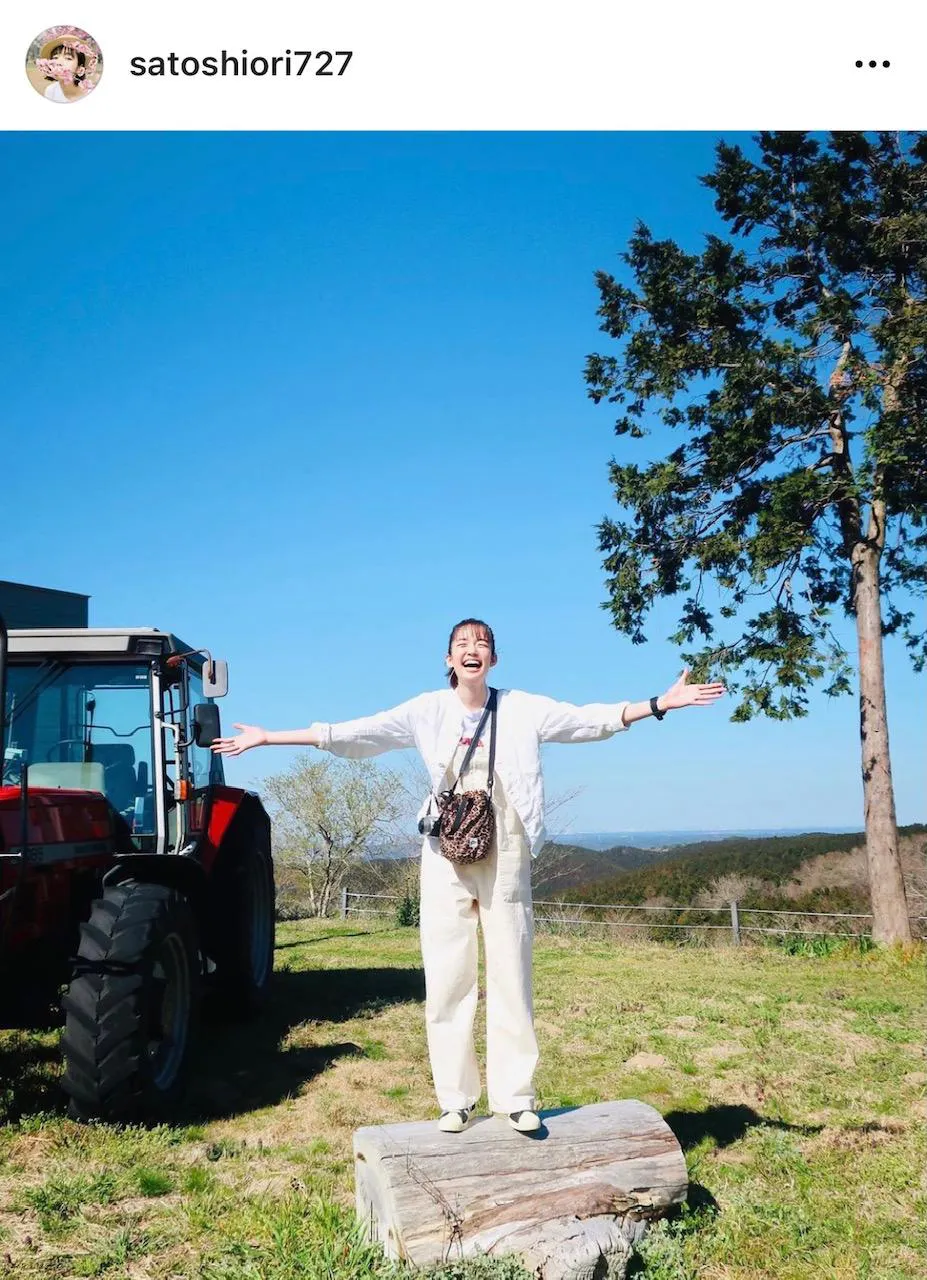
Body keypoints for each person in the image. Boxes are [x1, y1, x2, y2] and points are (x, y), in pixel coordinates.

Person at [211, 618, 725, 1133]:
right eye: (462, 644)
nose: (472, 650)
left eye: (482, 644)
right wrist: (268, 738)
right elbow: (354, 734)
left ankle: (516, 1097)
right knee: (447, 975)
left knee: (511, 972)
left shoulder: (521, 707)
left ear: (494, 660)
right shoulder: (427, 710)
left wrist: (658, 704)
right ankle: (455, 1099)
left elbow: (586, 720)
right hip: (444, 849)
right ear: (448, 659)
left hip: (507, 846)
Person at [35, 33, 98, 103]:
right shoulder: (51, 91)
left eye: (68, 58)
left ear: (80, 69)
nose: (58, 62)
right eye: (55, 58)